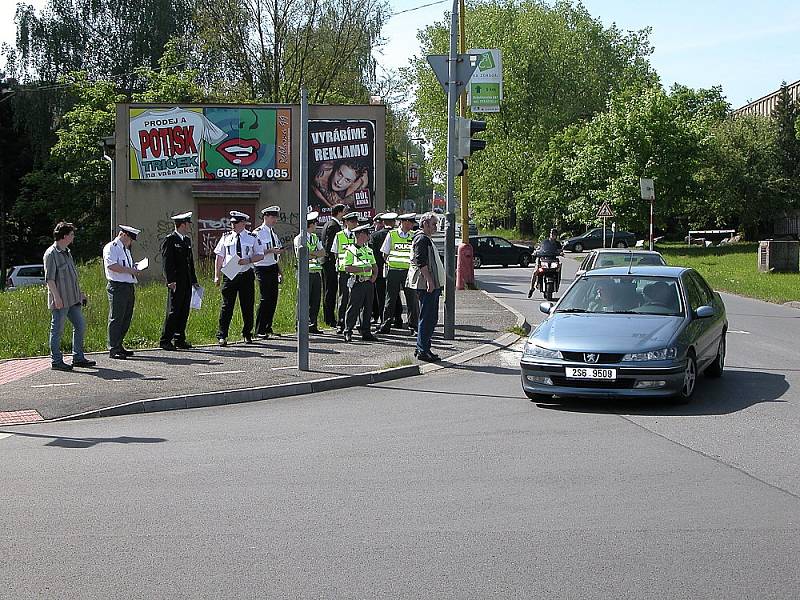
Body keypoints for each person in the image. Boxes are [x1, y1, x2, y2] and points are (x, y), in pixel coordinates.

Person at [43, 222, 95, 370]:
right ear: (64, 236)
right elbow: (50, 279)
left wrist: (80, 293)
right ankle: (56, 361)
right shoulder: (51, 254)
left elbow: (72, 276)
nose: (73, 237)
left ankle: (78, 357)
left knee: (80, 325)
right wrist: (56, 298)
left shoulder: (67, 252)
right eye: (72, 234)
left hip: (73, 298)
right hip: (61, 299)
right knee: (57, 329)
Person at [214, 210, 265, 346]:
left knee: (247, 305)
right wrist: (217, 275)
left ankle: (247, 333)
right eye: (231, 222)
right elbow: (219, 257)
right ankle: (222, 335)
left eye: (235, 223)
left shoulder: (252, 237)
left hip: (245, 274)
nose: (233, 225)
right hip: (230, 275)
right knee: (227, 306)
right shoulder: (226, 237)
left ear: (243, 223)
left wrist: (248, 260)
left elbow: (260, 255)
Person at [159, 211, 199, 351]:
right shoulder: (170, 239)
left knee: (184, 310)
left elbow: (190, 262)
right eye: (188, 223)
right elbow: (167, 262)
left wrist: (194, 280)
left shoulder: (186, 240)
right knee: (173, 310)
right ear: (182, 224)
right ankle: (165, 339)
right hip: (176, 281)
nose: (189, 226)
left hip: (186, 281)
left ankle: (179, 338)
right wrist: (170, 280)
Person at [407, 212, 444, 362]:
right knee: (427, 317)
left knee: (430, 317)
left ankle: (423, 348)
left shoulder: (425, 239)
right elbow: (421, 261)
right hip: (426, 284)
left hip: (430, 284)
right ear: (425, 224)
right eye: (434, 224)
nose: (436, 227)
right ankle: (423, 350)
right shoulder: (421, 239)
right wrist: (429, 280)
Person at [103, 225, 142, 359]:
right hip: (117, 286)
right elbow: (112, 266)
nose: (130, 242)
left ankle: (119, 344)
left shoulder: (125, 249)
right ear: (124, 235)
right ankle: (113, 347)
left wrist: (135, 267)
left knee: (126, 317)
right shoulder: (111, 247)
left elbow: (126, 265)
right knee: (116, 317)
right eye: (130, 239)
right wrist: (130, 270)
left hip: (128, 285)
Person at [378, 213, 418, 334]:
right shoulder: (392, 234)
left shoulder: (413, 235)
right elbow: (384, 253)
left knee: (412, 300)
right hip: (394, 271)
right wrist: (392, 263)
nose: (412, 225)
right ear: (404, 222)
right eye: (410, 222)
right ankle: (386, 325)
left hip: (409, 272)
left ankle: (414, 326)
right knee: (390, 299)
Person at [342, 224, 378, 343]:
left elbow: (374, 265)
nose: (368, 236)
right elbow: (347, 268)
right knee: (353, 307)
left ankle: (365, 331)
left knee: (368, 308)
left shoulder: (368, 249)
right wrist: (363, 270)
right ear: (359, 235)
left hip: (368, 282)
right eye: (365, 233)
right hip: (358, 282)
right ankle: (348, 331)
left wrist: (374, 276)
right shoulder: (350, 251)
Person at [252, 205, 284, 339]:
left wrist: (280, 271)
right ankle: (259, 329)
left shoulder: (274, 234)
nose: (274, 220)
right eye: (272, 217)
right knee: (265, 299)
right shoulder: (257, 233)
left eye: (275, 217)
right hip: (262, 267)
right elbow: (255, 252)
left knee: (273, 298)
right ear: (266, 217)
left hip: (272, 267)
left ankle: (267, 326)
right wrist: (271, 251)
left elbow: (276, 255)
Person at [294, 211, 326, 334]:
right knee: (303, 299)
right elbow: (301, 255)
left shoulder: (314, 238)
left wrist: (312, 254)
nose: (316, 225)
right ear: (311, 224)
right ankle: (300, 324)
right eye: (315, 223)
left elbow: (323, 252)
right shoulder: (299, 238)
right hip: (304, 273)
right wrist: (313, 254)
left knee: (315, 299)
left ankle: (313, 324)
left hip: (316, 272)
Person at [331, 211, 359, 333]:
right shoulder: (339, 235)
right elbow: (335, 253)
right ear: (346, 222)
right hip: (344, 272)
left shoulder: (358, 235)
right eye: (352, 221)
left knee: (355, 299)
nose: (355, 224)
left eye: (355, 221)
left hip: (356, 271)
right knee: (343, 298)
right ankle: (341, 323)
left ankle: (352, 324)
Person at [369, 212, 398, 324]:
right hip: (395, 269)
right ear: (394, 222)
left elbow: (373, 255)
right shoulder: (397, 234)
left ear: (383, 222)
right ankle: (397, 318)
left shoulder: (375, 236)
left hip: (379, 270)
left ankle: (383, 319)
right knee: (395, 297)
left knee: (381, 297)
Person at [321, 203, 345, 327]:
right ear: (339, 212)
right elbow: (330, 246)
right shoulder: (333, 226)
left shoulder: (330, 224)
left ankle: (329, 317)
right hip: (330, 263)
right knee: (330, 291)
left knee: (329, 290)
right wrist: (334, 260)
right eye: (344, 212)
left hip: (328, 262)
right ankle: (329, 318)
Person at [529, 228, 564, 296]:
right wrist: (535, 252)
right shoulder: (544, 242)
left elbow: (560, 250)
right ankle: (531, 288)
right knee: (536, 271)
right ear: (550, 234)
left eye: (554, 234)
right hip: (543, 259)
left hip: (553, 260)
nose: (553, 235)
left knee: (559, 267)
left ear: (556, 235)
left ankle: (557, 282)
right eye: (552, 234)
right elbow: (539, 248)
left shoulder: (557, 244)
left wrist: (561, 253)